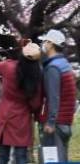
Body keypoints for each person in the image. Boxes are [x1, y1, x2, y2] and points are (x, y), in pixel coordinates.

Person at [0, 36, 43, 164]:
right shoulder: (37, 74)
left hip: (5, 114)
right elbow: (36, 103)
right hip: (23, 118)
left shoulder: (8, 67)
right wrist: (36, 115)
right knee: (21, 157)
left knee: (3, 156)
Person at [38, 29, 75, 163]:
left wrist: (51, 121)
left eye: (45, 41)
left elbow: (54, 97)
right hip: (65, 122)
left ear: (51, 44)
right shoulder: (65, 64)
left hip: (56, 124)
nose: (43, 44)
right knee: (62, 159)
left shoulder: (53, 68)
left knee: (50, 159)